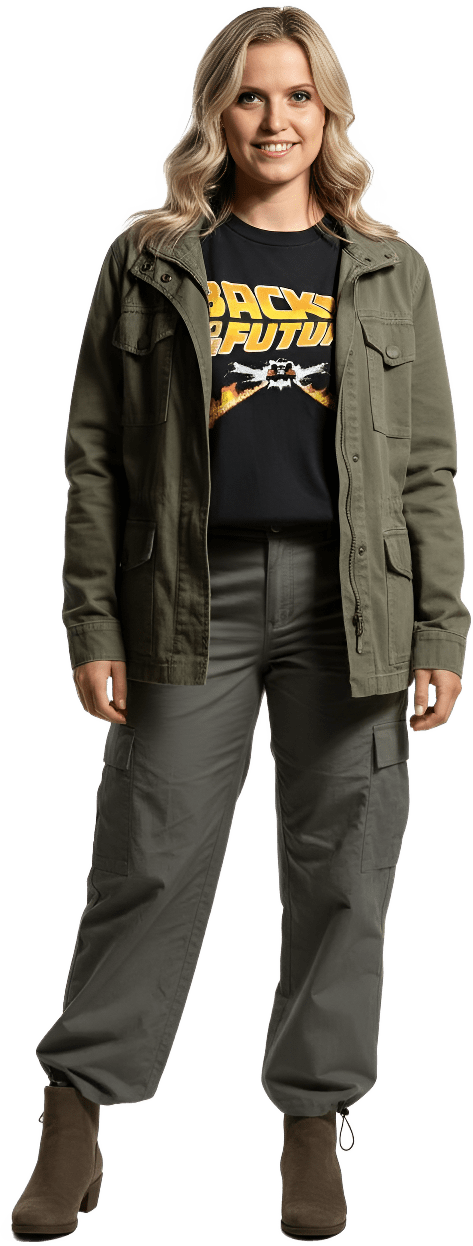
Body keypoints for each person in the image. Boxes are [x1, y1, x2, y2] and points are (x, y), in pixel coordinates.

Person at [9, 4, 470, 1242]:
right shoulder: (151, 256)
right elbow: (95, 455)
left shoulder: (389, 268)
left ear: (330, 114)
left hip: (350, 601)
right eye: (251, 95)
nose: (275, 120)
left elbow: (426, 468)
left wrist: (440, 628)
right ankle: (75, 1106)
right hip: (184, 594)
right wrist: (91, 618)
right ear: (216, 110)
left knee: (346, 863)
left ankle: (314, 1119)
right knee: (150, 851)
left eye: (298, 96)